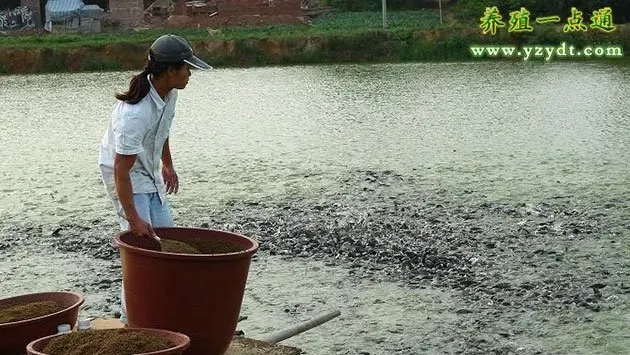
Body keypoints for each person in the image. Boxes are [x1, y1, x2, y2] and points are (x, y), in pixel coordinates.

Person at [98, 34, 212, 324]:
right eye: (187, 68)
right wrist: (133, 218)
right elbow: (121, 170)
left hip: (148, 168)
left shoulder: (168, 94)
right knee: (141, 248)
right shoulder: (134, 114)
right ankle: (132, 321)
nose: (190, 74)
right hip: (126, 174)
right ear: (170, 70)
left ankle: (163, 313)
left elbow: (161, 132)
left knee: (166, 239)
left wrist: (168, 165)